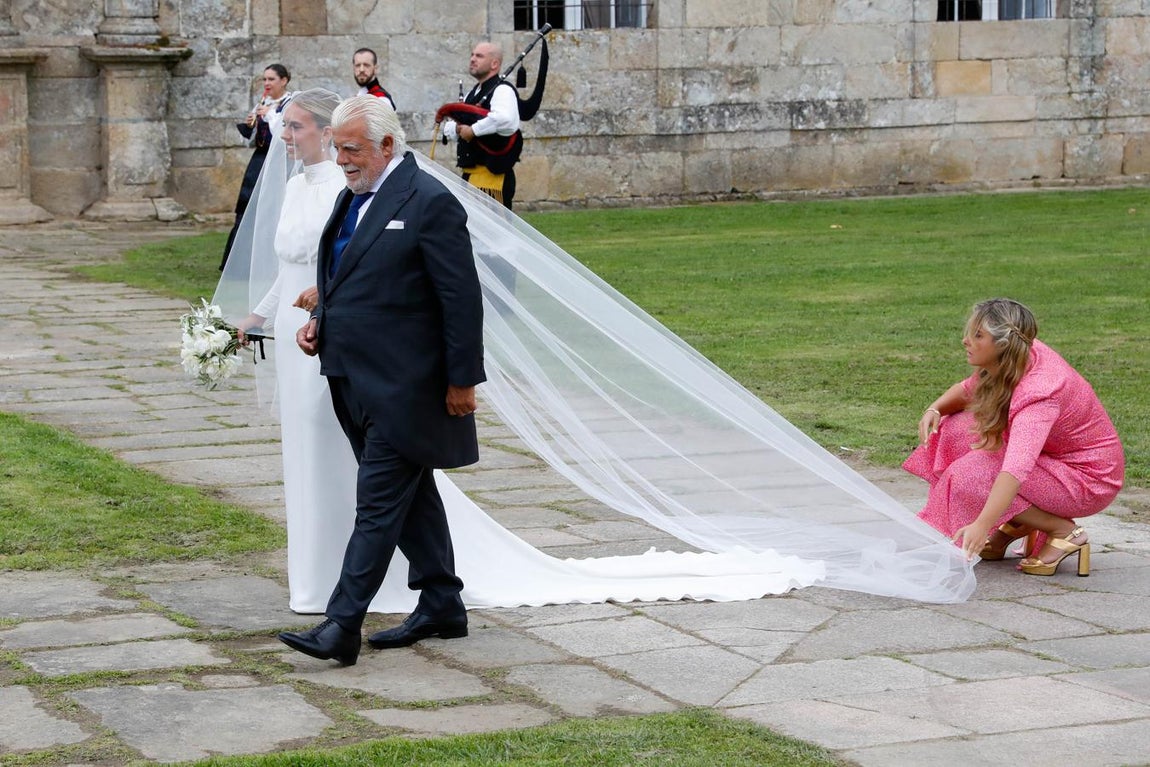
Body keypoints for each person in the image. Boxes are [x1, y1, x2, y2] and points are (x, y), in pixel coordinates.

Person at [279, 95, 486, 666]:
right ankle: (443, 602)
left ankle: (342, 624)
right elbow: (346, 277)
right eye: (339, 147)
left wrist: (462, 380)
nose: (341, 159)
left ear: (388, 146)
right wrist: (321, 320)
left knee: (375, 502)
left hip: (408, 384)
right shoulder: (354, 198)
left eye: (353, 148)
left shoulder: (428, 202)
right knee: (411, 495)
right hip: (353, 376)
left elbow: (460, 299)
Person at [903, 298, 1124, 576]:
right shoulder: (1019, 353)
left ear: (1003, 344)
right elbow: (970, 389)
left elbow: (1015, 470)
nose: (965, 340)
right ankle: (1017, 523)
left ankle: (1063, 530)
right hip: (1053, 460)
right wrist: (935, 408)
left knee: (972, 474)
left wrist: (982, 525)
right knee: (953, 430)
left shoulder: (1040, 393)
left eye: (977, 335)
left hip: (1087, 479)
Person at [220, 64, 295, 270]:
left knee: (273, 207)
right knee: (248, 204)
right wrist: (251, 125)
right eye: (265, 79)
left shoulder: (290, 103)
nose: (267, 83)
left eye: (271, 79)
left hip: (279, 161)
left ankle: (268, 262)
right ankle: (240, 262)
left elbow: (284, 134)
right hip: (259, 160)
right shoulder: (263, 102)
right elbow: (254, 140)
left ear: (284, 80)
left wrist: (270, 115)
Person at [442, 41, 522, 208]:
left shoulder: (503, 90)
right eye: (472, 55)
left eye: (479, 56)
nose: (472, 59)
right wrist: (457, 128)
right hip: (470, 175)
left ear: (494, 64)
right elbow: (454, 125)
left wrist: (473, 130)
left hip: (491, 178)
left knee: (493, 233)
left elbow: (504, 119)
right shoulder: (474, 92)